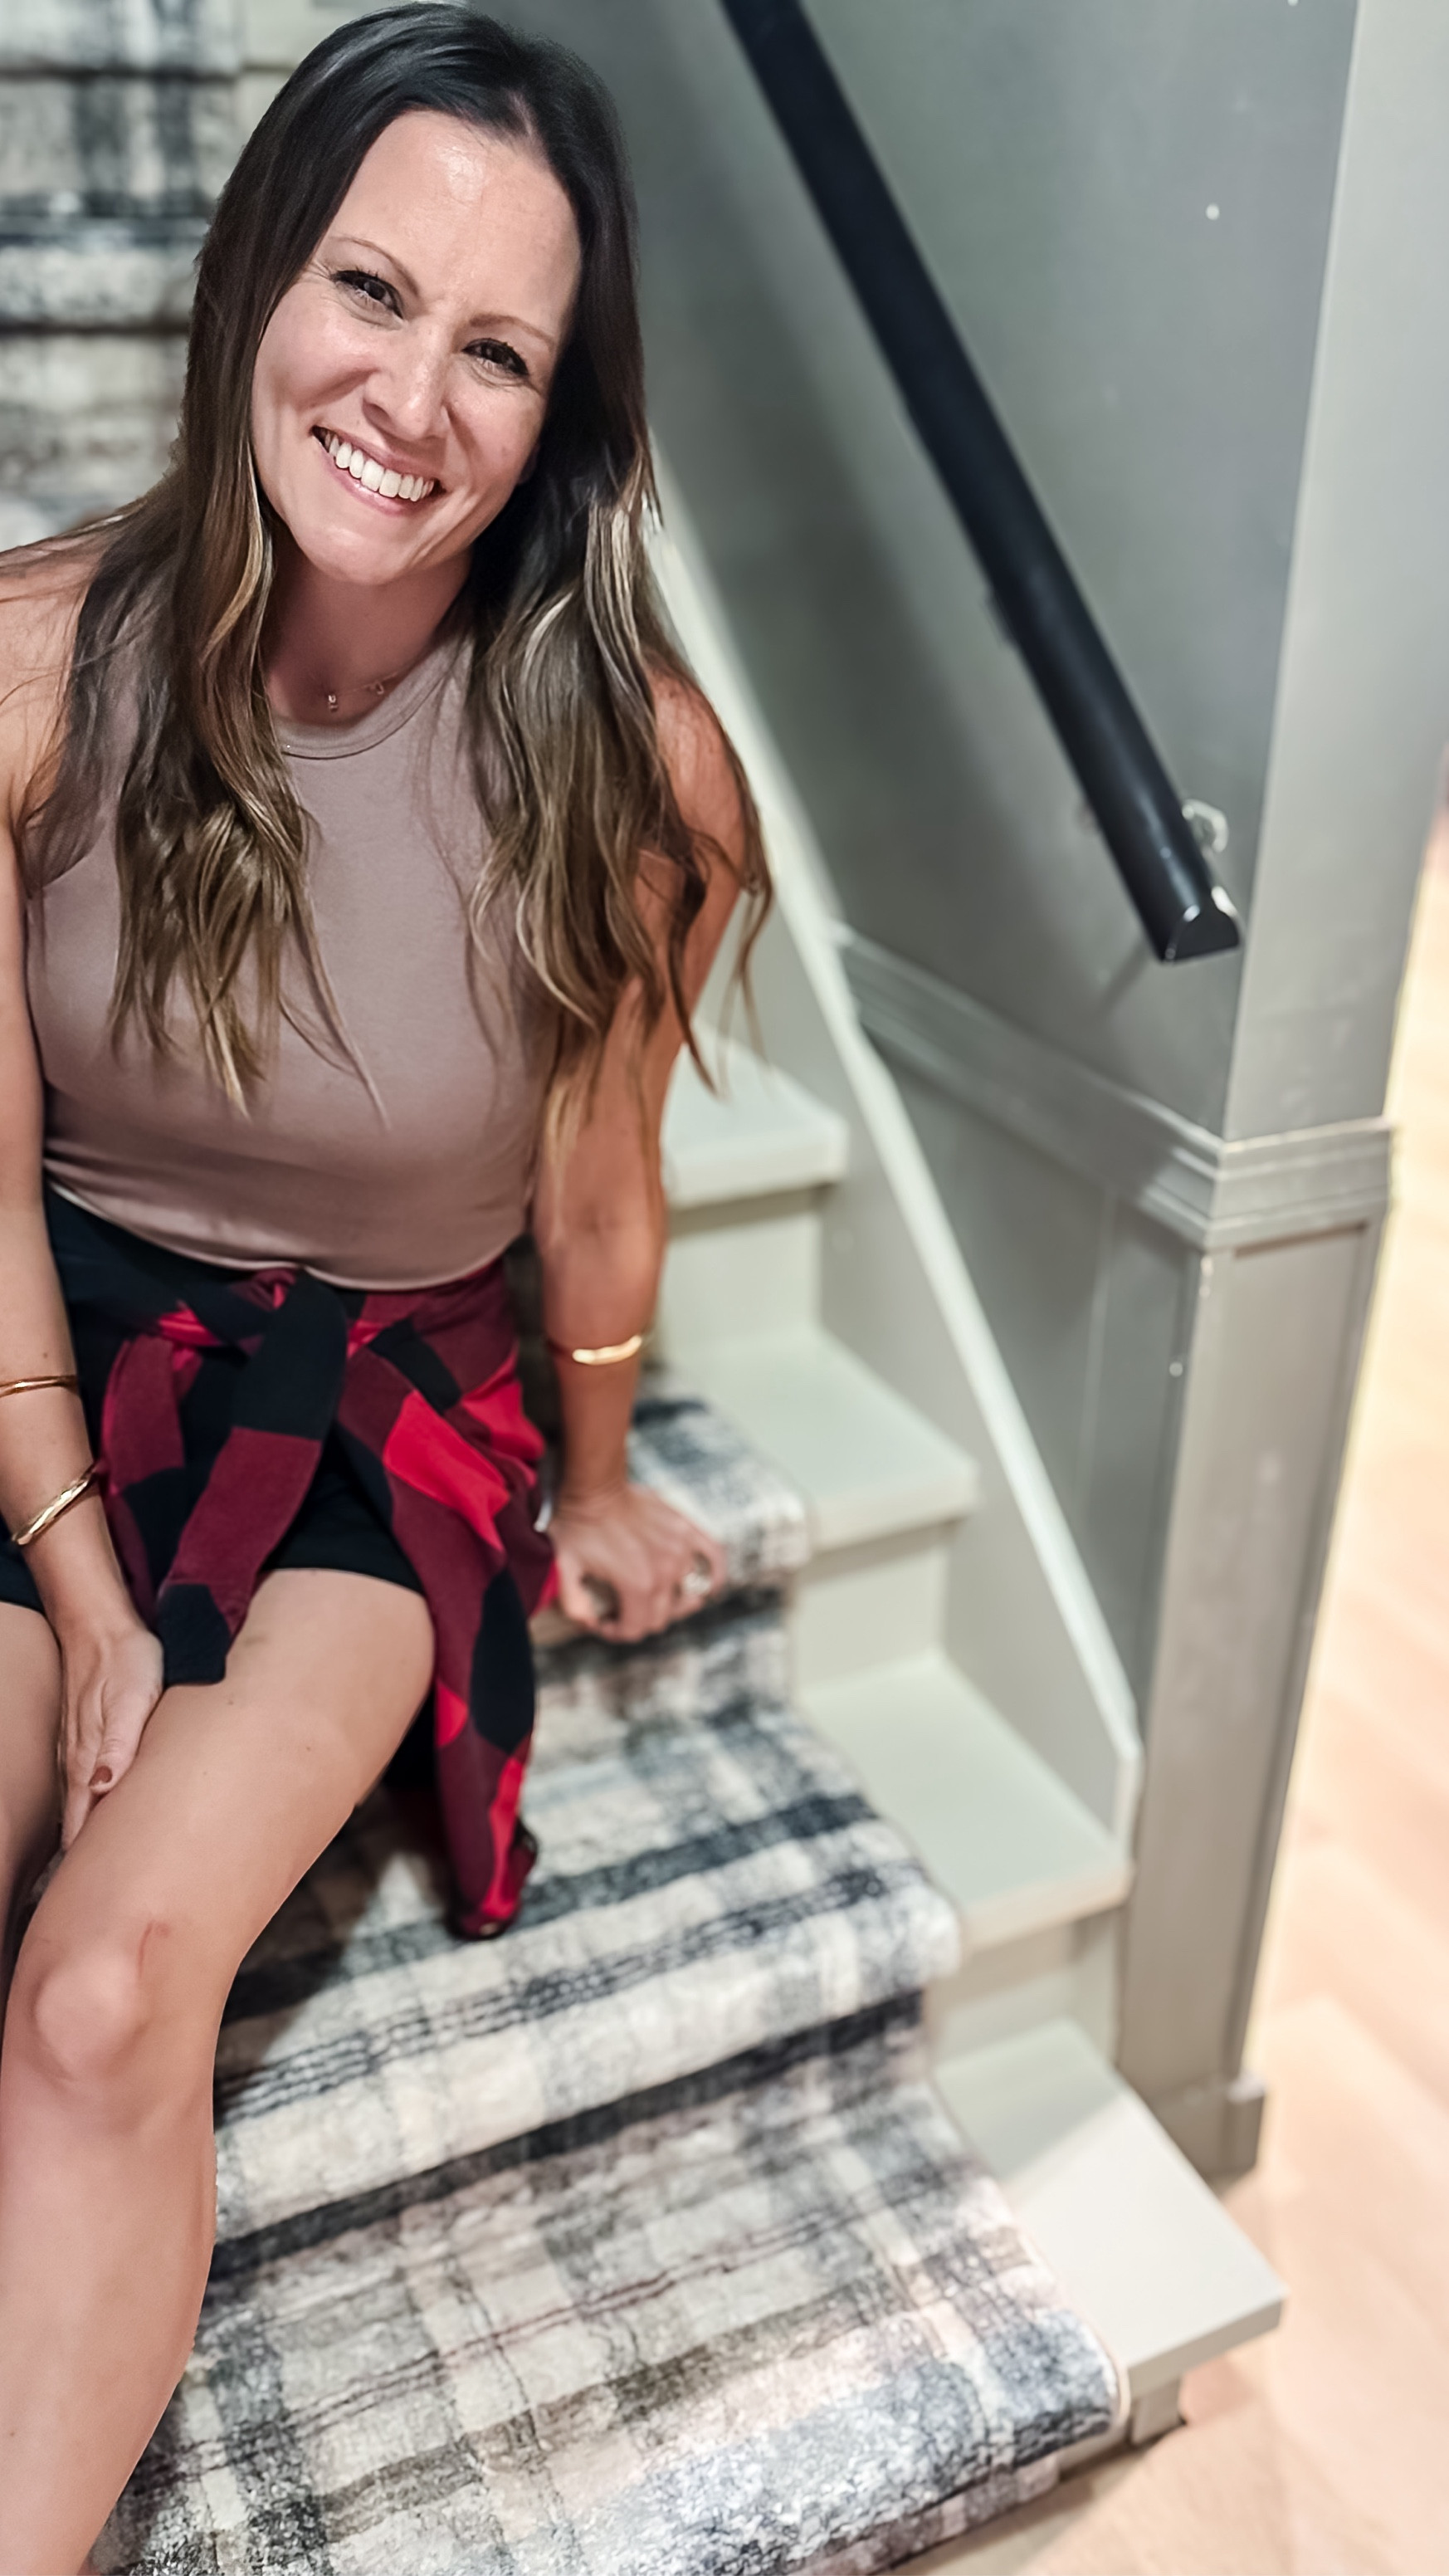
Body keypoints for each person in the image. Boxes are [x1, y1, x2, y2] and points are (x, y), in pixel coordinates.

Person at [0, 11, 766, 2564]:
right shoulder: (24, 669)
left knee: (104, 2001)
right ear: (249, 282)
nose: (408, 393)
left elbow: (593, 1188)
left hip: (360, 1416)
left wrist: (607, 1472)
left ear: (558, 418)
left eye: (500, 348)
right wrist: (85, 1589)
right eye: (367, 285)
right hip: (28, 1369)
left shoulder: (627, 767)